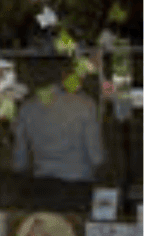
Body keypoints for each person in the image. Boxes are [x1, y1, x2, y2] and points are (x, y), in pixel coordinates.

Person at [11, 57, 103, 211]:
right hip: (78, 187)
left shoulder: (27, 107)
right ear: (64, 76)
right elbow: (96, 156)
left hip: (42, 187)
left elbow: (19, 161)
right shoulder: (85, 105)